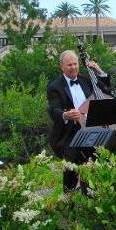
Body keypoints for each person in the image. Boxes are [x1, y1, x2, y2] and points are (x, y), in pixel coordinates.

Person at [47, 50, 110, 187]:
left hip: (91, 130)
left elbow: (106, 90)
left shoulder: (86, 79)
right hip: (70, 133)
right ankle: (69, 202)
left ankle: (90, 196)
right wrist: (66, 115)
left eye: (75, 64)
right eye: (69, 65)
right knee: (71, 171)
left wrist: (99, 71)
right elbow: (54, 109)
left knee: (94, 168)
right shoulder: (55, 87)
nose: (73, 67)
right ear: (61, 67)